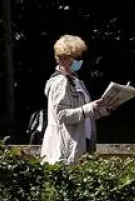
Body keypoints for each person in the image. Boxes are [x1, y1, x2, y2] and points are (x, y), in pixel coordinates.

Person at [40, 35, 113, 165]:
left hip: (82, 143)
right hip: (66, 150)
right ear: (63, 58)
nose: (80, 60)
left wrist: (104, 109)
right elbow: (62, 115)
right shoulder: (60, 82)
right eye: (77, 57)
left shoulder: (76, 81)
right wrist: (89, 108)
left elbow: (83, 114)